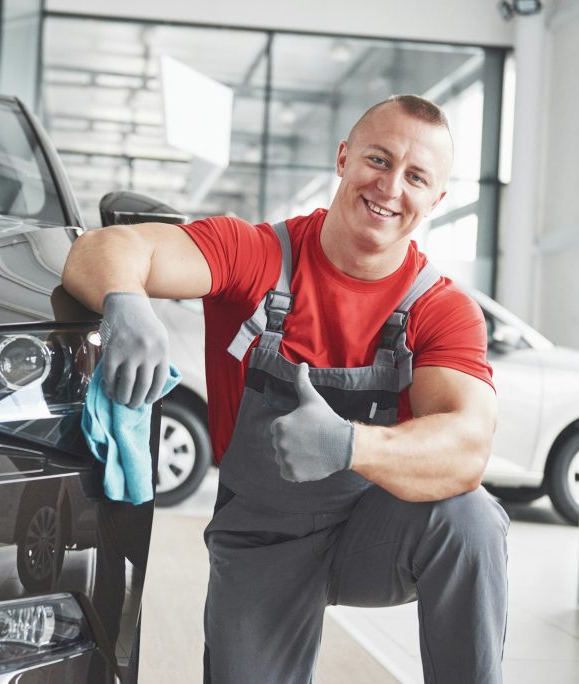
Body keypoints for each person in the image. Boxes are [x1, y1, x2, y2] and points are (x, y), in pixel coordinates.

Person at [62, 94, 509, 684]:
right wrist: (125, 298)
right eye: (378, 159)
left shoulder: (440, 307)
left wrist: (351, 447)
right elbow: (104, 248)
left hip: (371, 533)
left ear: (436, 199)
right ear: (344, 158)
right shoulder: (255, 256)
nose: (391, 186)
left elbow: (467, 446)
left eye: (417, 176)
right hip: (260, 539)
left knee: (470, 520)